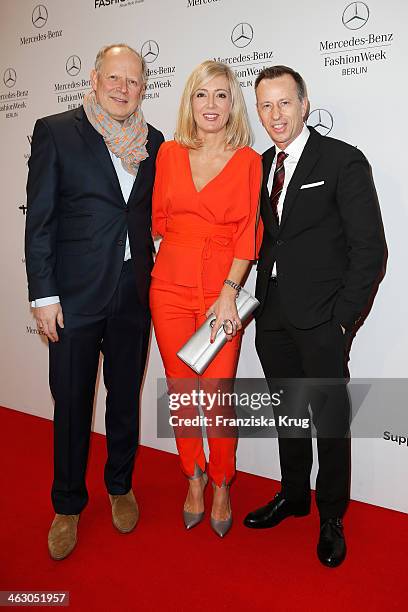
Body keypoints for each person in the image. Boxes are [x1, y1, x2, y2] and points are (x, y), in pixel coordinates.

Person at [25, 44, 164, 560]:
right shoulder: (57, 130)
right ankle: (67, 504)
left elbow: (152, 215)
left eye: (134, 81)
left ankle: (120, 485)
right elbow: (38, 219)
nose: (124, 88)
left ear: (143, 87)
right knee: (71, 404)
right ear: (95, 77)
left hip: (133, 293)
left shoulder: (154, 141)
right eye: (115, 78)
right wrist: (43, 294)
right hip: (74, 297)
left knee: (125, 396)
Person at [243, 66, 386, 566]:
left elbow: (370, 250)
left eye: (284, 103)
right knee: (287, 414)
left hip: (324, 321)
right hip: (272, 317)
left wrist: (343, 322)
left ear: (304, 104)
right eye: (265, 105)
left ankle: (330, 515)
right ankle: (294, 495)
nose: (275, 115)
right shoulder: (260, 165)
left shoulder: (343, 160)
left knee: (328, 420)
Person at [150, 60, 262, 537]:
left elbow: (248, 233)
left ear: (232, 103)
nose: (211, 105)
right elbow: (158, 219)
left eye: (221, 95)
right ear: (189, 102)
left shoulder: (249, 160)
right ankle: (191, 475)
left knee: (216, 397)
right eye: (202, 95)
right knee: (181, 392)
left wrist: (228, 294)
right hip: (168, 288)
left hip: (223, 294)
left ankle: (221, 480)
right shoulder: (169, 154)